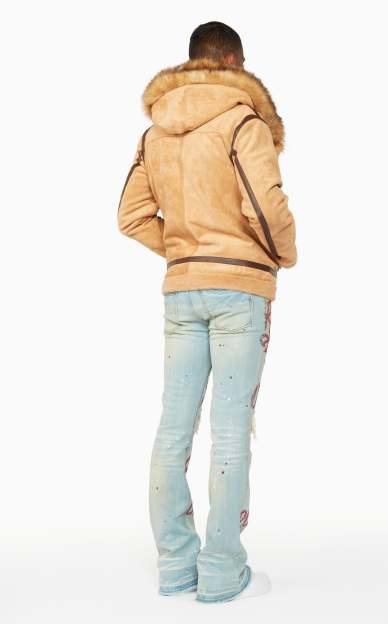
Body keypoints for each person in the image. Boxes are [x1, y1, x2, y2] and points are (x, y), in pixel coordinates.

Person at [117, 20, 297, 603]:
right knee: (229, 432)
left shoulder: (156, 132)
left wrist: (184, 250)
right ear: (235, 62)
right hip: (239, 289)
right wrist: (282, 255)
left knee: (173, 428)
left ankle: (175, 565)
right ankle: (221, 570)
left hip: (182, 289)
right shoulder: (243, 122)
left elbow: (131, 215)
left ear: (193, 62)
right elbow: (266, 206)